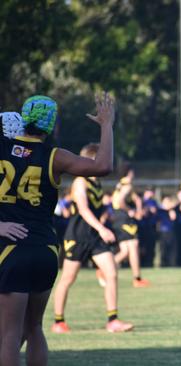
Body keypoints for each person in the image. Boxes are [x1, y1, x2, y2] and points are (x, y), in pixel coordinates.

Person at [0, 92, 115, 365]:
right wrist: (106, 125)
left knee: (8, 335)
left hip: (11, 250)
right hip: (45, 249)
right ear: (50, 125)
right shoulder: (55, 156)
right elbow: (103, 166)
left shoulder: (3, 150)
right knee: (34, 327)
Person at [52, 143, 134, 334]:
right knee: (68, 278)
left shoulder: (97, 182)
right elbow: (83, 209)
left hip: (94, 236)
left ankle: (113, 320)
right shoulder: (80, 181)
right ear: (91, 160)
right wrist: (102, 228)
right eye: (102, 157)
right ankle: (58, 321)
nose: (106, 161)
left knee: (111, 272)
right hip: (78, 235)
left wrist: (107, 217)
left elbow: (97, 209)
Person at [110, 165, 150, 287]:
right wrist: (130, 211)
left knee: (126, 250)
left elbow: (135, 199)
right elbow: (120, 201)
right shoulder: (127, 185)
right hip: (124, 218)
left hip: (117, 218)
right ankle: (137, 279)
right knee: (134, 244)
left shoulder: (120, 185)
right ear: (129, 172)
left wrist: (138, 208)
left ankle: (104, 268)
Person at [139, 187, 158, 268]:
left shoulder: (153, 201)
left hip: (152, 227)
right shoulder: (141, 201)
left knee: (151, 246)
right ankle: (143, 263)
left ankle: (150, 263)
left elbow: (155, 211)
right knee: (143, 246)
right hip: (143, 227)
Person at [158, 196, 178, 267]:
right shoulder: (160, 210)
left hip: (171, 231)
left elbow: (173, 218)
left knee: (172, 249)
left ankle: (172, 264)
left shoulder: (171, 210)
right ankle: (163, 264)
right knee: (163, 249)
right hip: (163, 232)